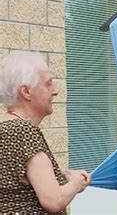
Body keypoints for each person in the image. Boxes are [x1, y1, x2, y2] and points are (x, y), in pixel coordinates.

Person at [0, 51, 91, 213]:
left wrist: (63, 178)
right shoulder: (22, 131)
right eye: (48, 84)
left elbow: (16, 183)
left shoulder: (5, 127)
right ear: (26, 92)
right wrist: (76, 182)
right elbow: (53, 201)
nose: (55, 91)